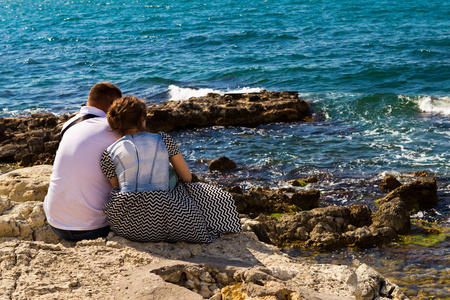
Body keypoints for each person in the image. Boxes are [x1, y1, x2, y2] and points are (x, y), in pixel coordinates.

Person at [100, 95, 241, 243]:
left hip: (129, 227)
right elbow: (187, 178)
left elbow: (117, 189)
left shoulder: (107, 153)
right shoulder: (163, 139)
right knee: (216, 196)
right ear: (142, 118)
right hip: (173, 221)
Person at [43, 82, 122, 241]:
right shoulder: (112, 128)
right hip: (93, 229)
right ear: (112, 105)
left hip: (56, 224)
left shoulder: (68, 125)